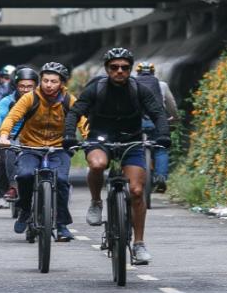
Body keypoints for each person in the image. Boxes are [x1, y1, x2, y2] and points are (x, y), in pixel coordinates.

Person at [62, 48, 170, 263]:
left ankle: (139, 245)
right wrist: (68, 135)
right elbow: (75, 111)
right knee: (97, 164)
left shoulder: (139, 89)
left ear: (130, 69)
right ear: (107, 69)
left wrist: (164, 135)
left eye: (124, 68)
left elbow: (157, 113)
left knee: (138, 191)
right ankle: (96, 202)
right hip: (101, 138)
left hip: (132, 139)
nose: (119, 71)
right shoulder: (96, 88)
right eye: (114, 67)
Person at [0, 62, 87, 241]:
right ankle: (24, 209)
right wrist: (4, 135)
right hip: (30, 147)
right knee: (24, 175)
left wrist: (88, 137)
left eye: (53, 81)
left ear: (62, 83)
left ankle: (61, 225)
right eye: (45, 80)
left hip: (58, 148)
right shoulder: (30, 98)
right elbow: (12, 117)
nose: (48, 85)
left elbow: (83, 120)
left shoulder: (69, 100)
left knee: (61, 180)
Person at [0, 67, 38, 209]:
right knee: (8, 153)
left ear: (36, 86)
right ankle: (14, 186)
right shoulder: (8, 101)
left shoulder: (43, 100)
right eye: (22, 86)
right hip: (14, 136)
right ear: (16, 86)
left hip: (38, 137)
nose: (26, 90)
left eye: (30, 86)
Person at [134, 62, 178, 192]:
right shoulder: (162, 85)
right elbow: (171, 104)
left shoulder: (132, 84)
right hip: (157, 122)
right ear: (153, 73)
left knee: (134, 149)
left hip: (137, 122)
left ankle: (136, 177)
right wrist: (175, 117)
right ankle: (161, 177)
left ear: (138, 73)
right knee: (161, 149)